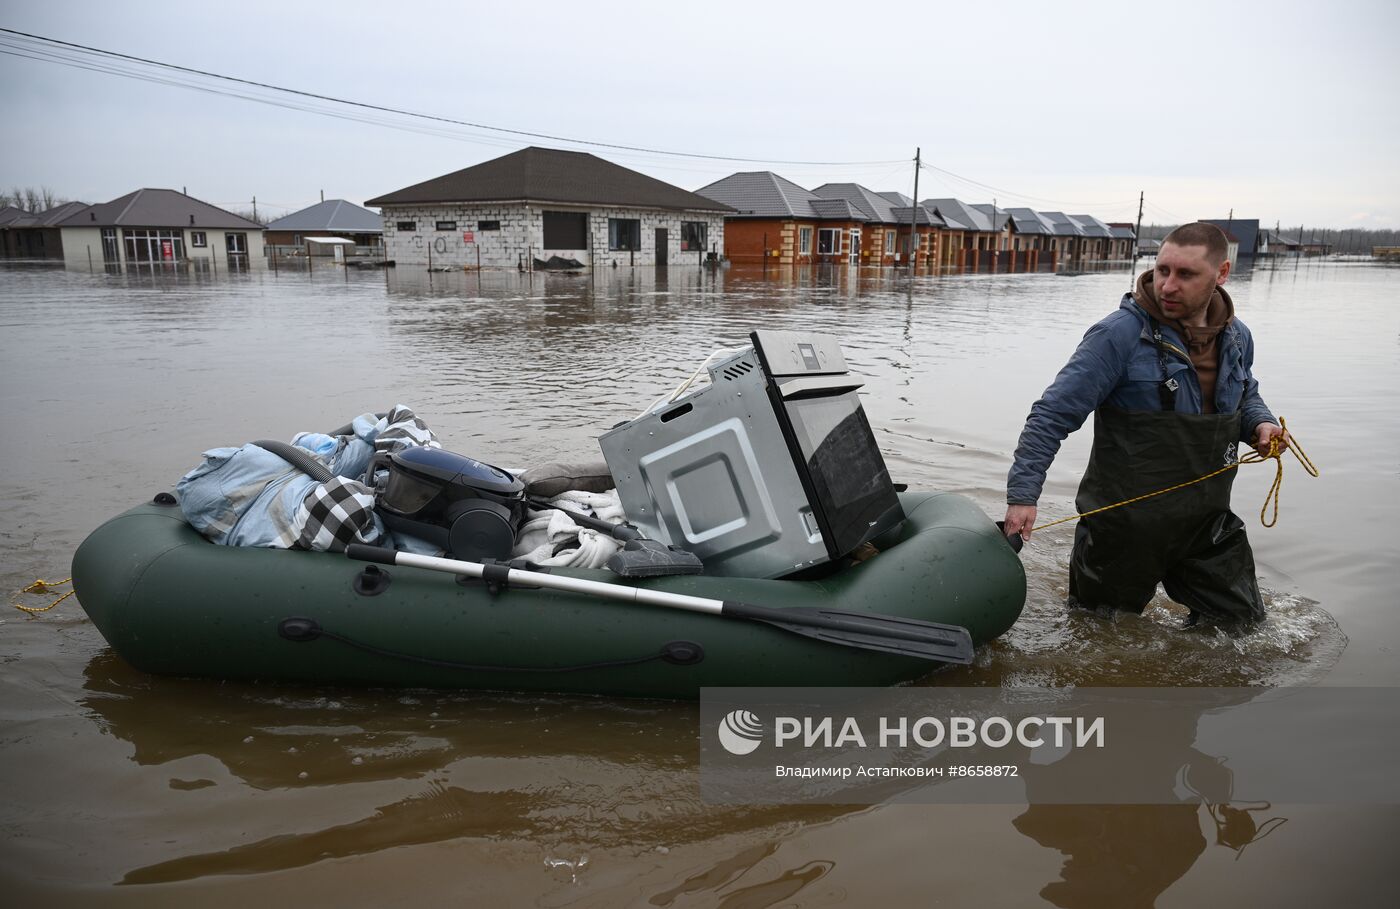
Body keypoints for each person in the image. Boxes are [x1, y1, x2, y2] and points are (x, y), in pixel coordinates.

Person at [1003, 222, 1289, 630]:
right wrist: (1023, 496)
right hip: (1122, 529)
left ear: (1221, 274)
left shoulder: (1238, 337)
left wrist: (1261, 424)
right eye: (1162, 270)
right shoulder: (1116, 336)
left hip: (1207, 523)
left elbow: (1246, 395)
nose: (1167, 286)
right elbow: (1050, 416)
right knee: (1098, 637)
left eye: (1186, 274)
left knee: (1241, 628)